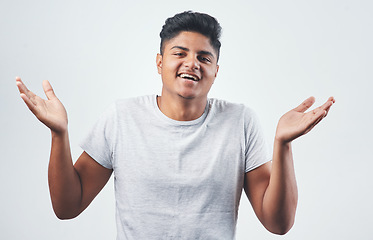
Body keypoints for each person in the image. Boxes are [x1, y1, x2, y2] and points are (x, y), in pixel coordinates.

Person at [16, 11, 335, 240]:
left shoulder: (240, 121)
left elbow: (278, 224)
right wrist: (59, 134)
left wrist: (283, 144)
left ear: (216, 70)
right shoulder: (122, 117)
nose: (192, 63)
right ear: (159, 62)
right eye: (179, 53)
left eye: (204, 57)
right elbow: (68, 206)